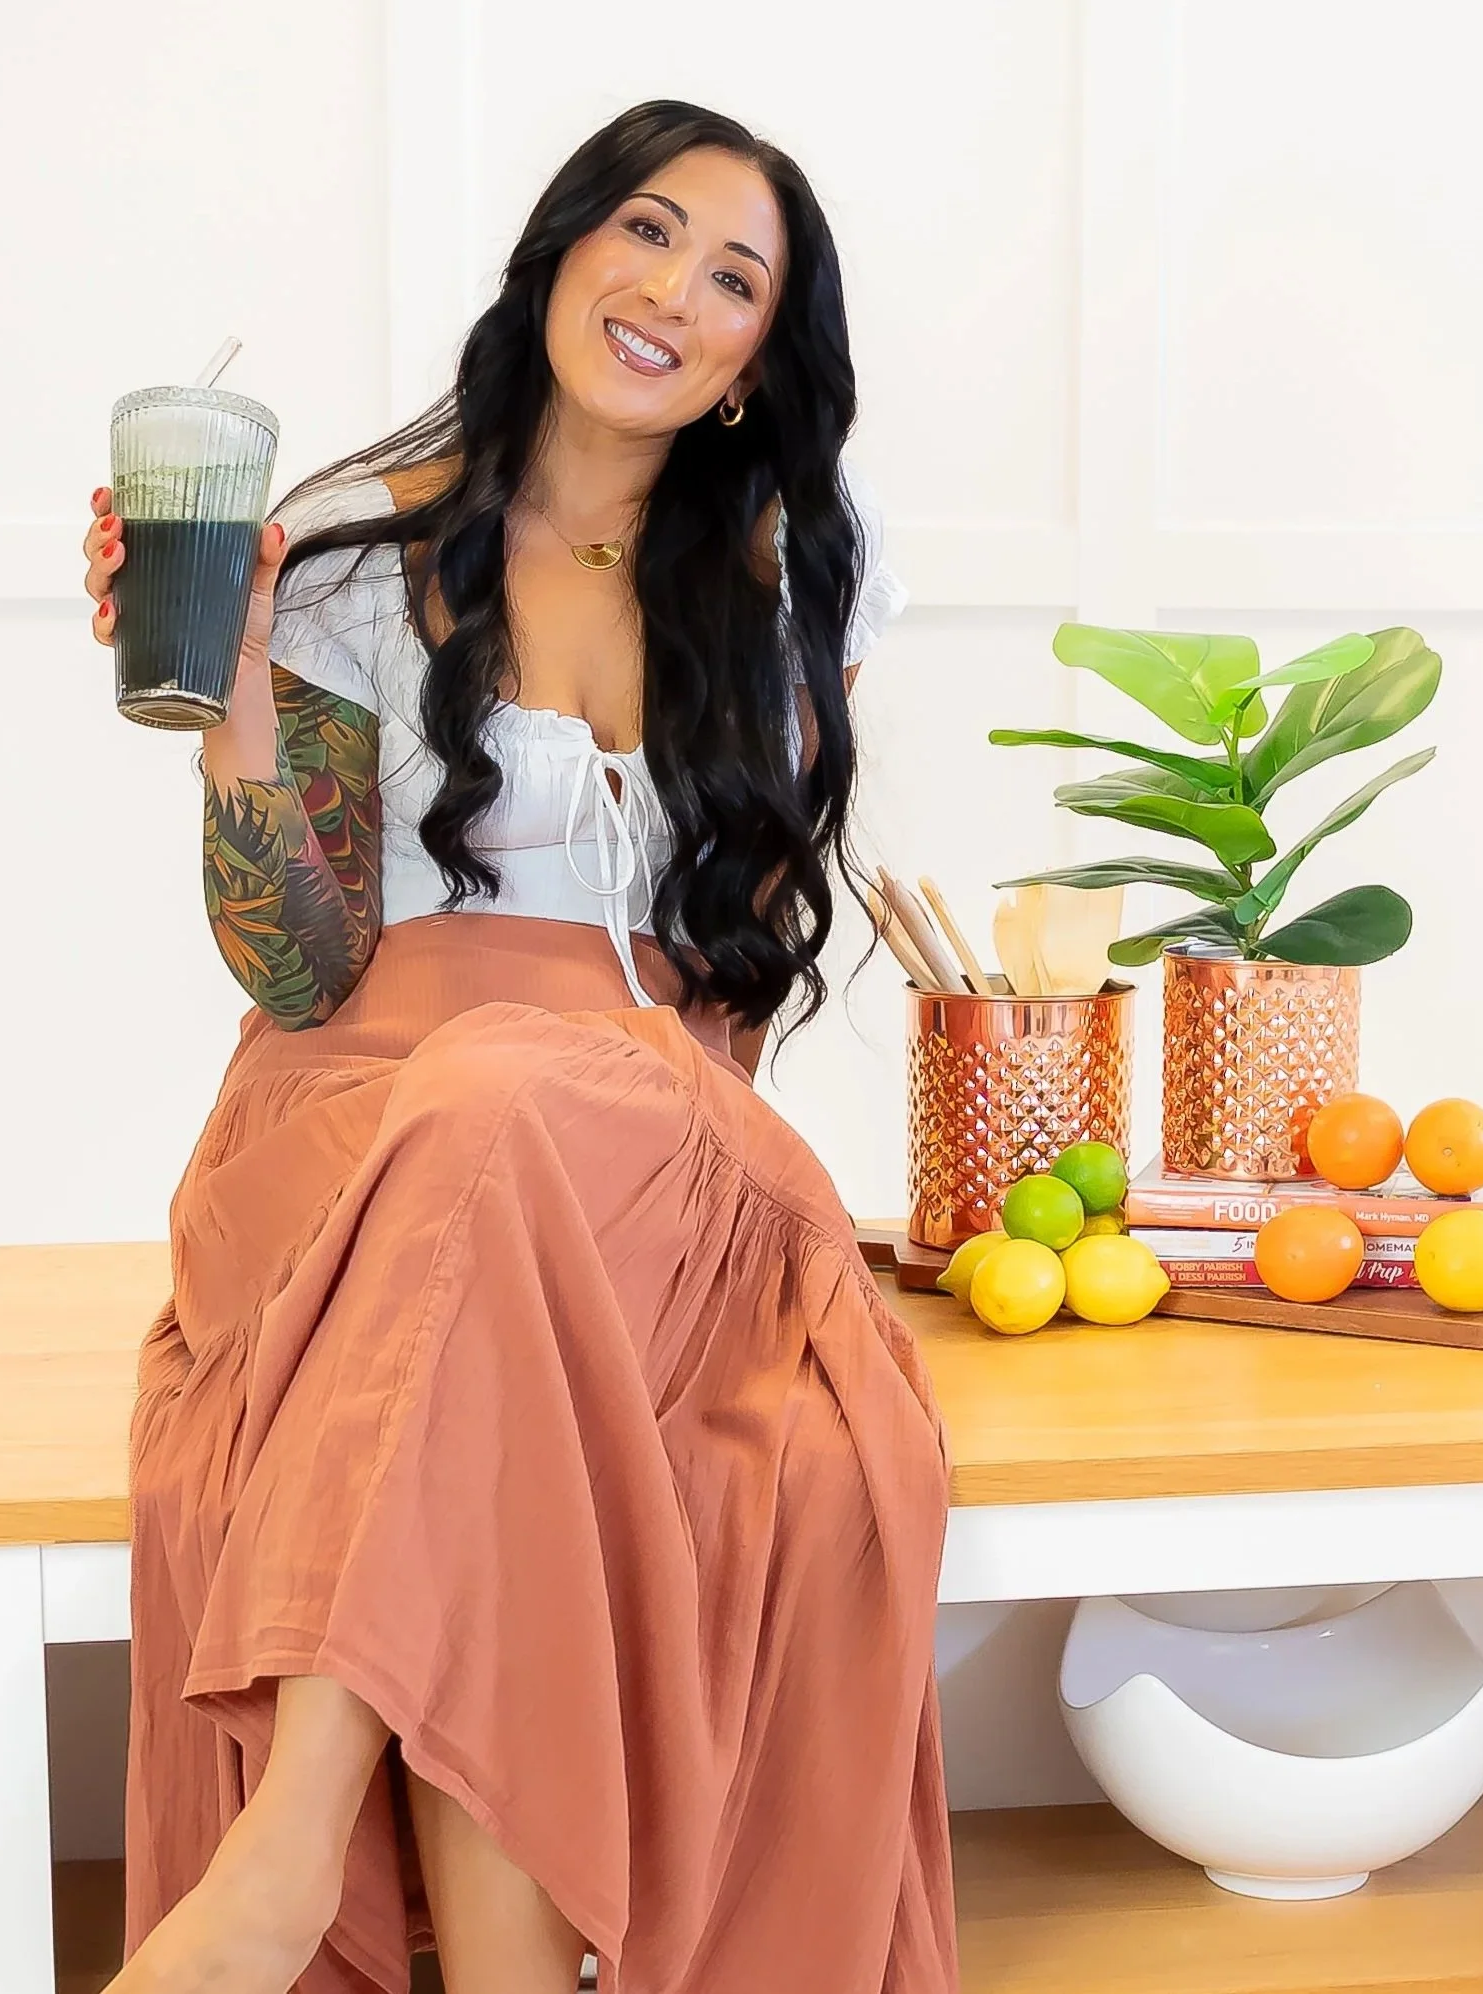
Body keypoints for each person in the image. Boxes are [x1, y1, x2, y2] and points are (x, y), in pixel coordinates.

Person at [78, 100, 953, 1994]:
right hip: (347, 1140)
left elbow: (718, 960)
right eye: (646, 233)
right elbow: (299, 967)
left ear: (754, 361)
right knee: (469, 1125)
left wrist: (556, 1064)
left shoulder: (798, 579)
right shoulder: (326, 553)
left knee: (510, 1108)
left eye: (738, 279)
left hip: (661, 1181)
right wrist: (233, 703)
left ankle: (284, 1853)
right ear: (560, 252)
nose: (675, 293)